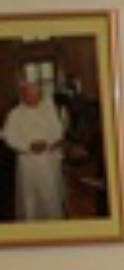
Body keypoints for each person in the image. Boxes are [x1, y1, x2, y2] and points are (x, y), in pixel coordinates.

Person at [3, 76, 68, 220]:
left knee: (51, 196)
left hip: (49, 160)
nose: (32, 98)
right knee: (30, 199)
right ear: (23, 95)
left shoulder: (49, 109)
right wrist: (28, 146)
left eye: (35, 95)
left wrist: (48, 143)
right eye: (28, 95)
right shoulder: (15, 114)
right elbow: (9, 137)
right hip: (28, 162)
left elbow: (58, 131)